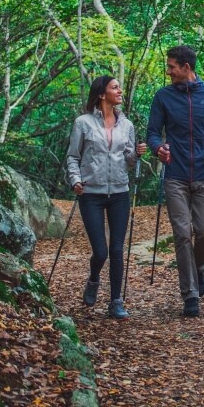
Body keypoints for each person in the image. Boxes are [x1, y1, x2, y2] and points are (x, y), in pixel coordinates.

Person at [147, 45, 204, 317]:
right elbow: (152, 133)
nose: (168, 71)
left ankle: (197, 268)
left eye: (171, 66)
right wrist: (158, 147)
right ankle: (190, 294)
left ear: (186, 67)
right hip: (176, 176)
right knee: (182, 235)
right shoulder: (163, 97)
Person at [66, 75, 147, 319]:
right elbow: (72, 157)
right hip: (91, 193)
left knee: (117, 249)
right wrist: (76, 180)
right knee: (101, 251)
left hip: (120, 192)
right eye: (115, 87)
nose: (120, 90)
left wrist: (137, 153)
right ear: (102, 94)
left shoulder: (127, 125)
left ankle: (116, 301)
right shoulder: (83, 123)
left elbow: (129, 161)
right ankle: (93, 280)